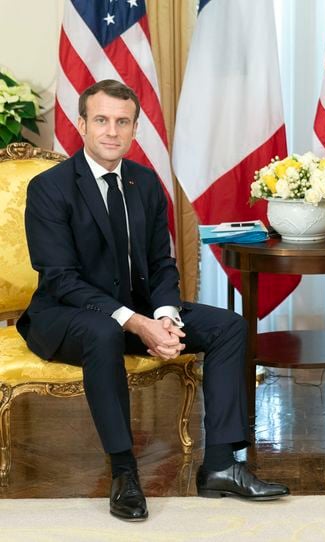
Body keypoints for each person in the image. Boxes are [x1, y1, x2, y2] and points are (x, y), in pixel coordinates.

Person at [17, 79, 289, 521]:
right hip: (64, 317)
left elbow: (162, 264)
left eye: (122, 122)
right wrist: (135, 322)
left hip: (136, 309)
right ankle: (124, 473)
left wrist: (164, 315)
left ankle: (220, 464)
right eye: (101, 120)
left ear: (135, 128)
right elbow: (60, 279)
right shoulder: (51, 188)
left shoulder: (144, 183)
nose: (111, 131)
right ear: (82, 124)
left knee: (229, 326)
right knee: (105, 329)